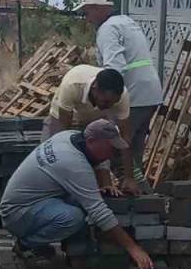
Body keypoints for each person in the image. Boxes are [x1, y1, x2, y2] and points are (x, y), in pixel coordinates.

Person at [0, 120, 155, 269]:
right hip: (17, 214)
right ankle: (26, 244)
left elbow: (98, 160)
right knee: (73, 217)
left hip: (33, 202)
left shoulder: (68, 136)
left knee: (88, 198)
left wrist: (106, 183)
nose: (112, 154)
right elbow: (99, 211)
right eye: (110, 148)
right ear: (92, 141)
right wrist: (133, 247)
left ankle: (74, 247)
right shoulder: (73, 163)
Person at [76, 0, 163, 192]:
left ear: (97, 9)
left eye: (87, 12)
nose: (87, 19)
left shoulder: (107, 29)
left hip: (132, 95)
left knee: (113, 146)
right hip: (149, 93)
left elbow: (115, 68)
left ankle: (142, 194)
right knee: (133, 150)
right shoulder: (126, 22)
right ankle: (142, 203)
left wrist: (105, 101)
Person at [46, 64, 137, 195]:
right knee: (53, 157)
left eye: (112, 103)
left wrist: (129, 177)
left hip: (96, 119)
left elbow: (125, 137)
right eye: (106, 102)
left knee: (105, 148)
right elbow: (63, 135)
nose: (109, 106)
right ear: (95, 89)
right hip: (64, 116)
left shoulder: (121, 97)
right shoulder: (73, 84)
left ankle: (106, 186)